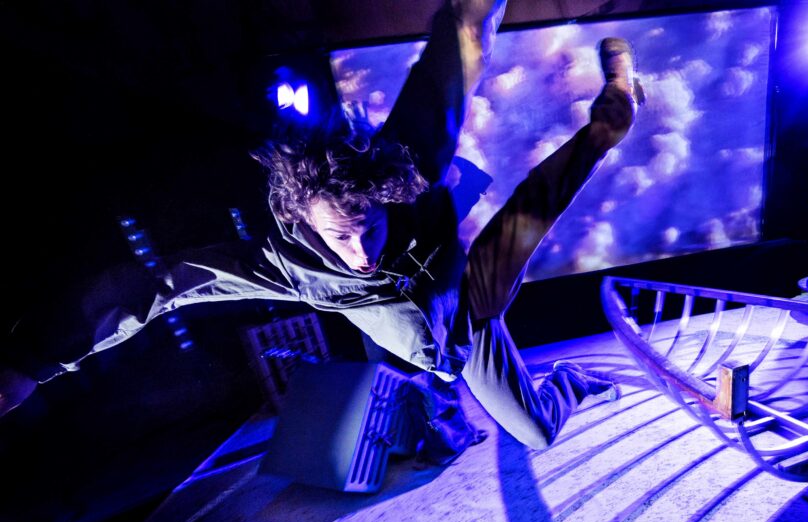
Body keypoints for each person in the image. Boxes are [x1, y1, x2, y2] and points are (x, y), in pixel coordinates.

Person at [0, 0, 643, 451]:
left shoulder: (407, 159)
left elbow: (465, 38)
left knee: (521, 230)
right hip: (446, 344)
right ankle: (573, 381)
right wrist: (32, 360)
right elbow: (161, 285)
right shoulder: (280, 264)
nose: (361, 251)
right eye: (341, 237)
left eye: (370, 228)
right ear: (301, 223)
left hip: (466, 290)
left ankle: (608, 123)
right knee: (535, 430)